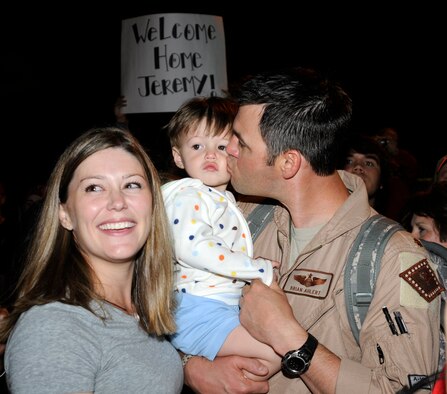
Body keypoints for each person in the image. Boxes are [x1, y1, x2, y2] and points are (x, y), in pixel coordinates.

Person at [183, 68, 442, 393]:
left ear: (288, 164)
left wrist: (292, 339)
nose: (227, 148)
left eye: (241, 142)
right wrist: (191, 366)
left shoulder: (392, 258)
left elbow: (405, 388)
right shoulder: (240, 217)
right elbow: (166, 301)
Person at [0, 126, 183, 393]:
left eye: (132, 184)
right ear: (65, 214)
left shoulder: (144, 310)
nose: (117, 202)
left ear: (153, 203)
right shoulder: (56, 328)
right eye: (94, 188)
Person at [162, 96, 281, 380]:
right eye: (197, 146)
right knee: (275, 354)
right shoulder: (188, 195)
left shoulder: (219, 198)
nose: (210, 155)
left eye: (221, 146)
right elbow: (193, 248)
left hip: (216, 306)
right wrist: (254, 268)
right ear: (178, 156)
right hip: (199, 308)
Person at [340, 133, 390, 213]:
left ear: (382, 180)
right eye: (349, 161)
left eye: (369, 163)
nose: (358, 166)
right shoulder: (318, 219)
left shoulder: (388, 225)